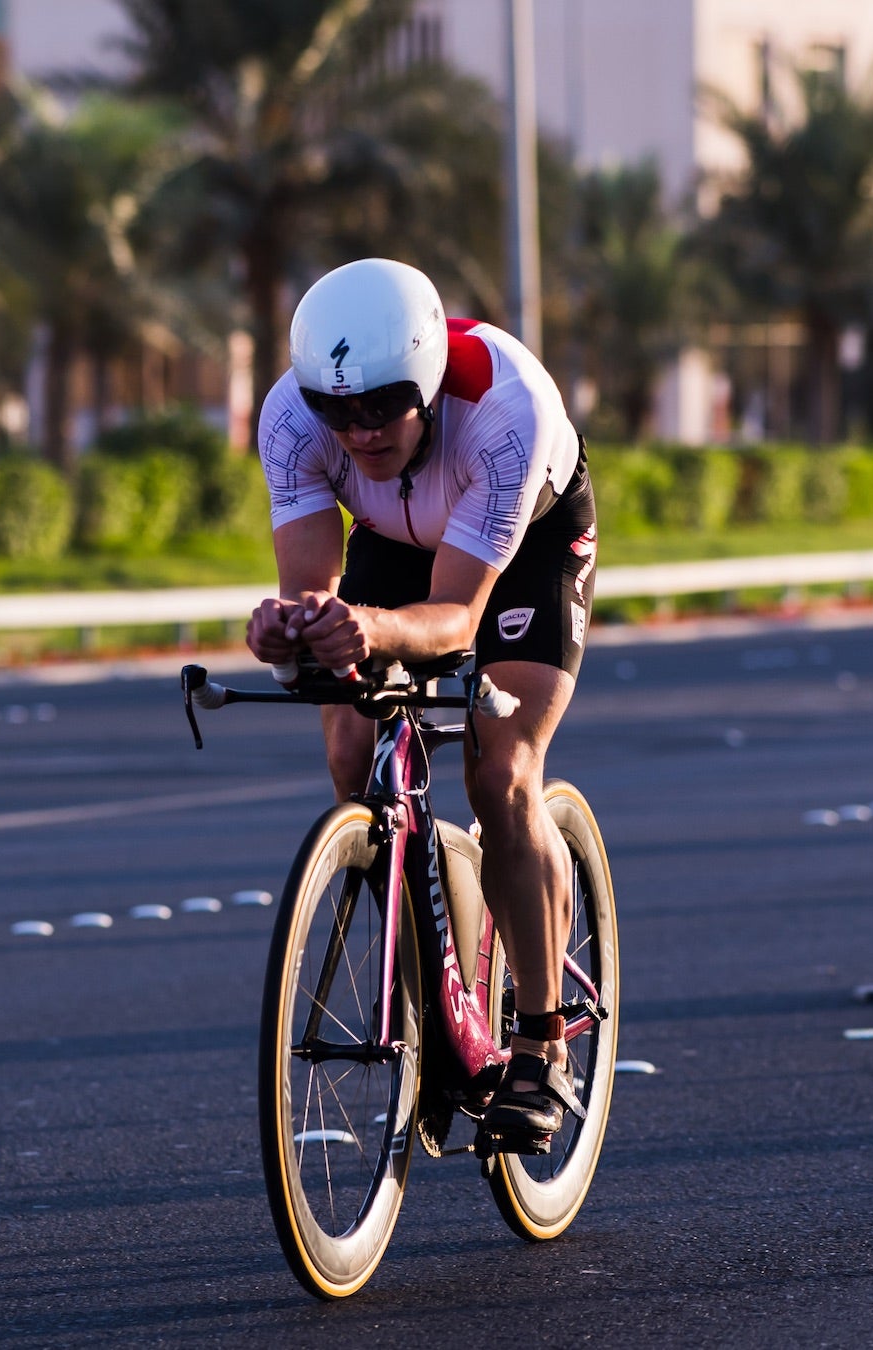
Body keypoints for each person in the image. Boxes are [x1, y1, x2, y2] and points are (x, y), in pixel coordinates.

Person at [243, 257, 596, 1146]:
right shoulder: (292, 418)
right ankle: (431, 956)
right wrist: (290, 632)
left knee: (501, 772)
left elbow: (454, 621)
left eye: (379, 407)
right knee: (350, 754)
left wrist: (368, 627)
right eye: (337, 410)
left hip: (523, 548)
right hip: (397, 543)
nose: (356, 432)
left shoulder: (504, 414)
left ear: (429, 384)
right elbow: (314, 592)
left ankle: (540, 1040)